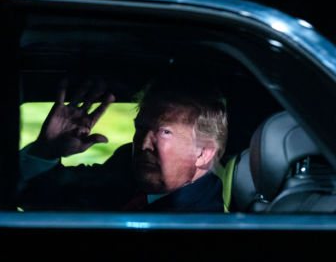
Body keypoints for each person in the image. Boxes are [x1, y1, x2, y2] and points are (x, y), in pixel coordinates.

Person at [19, 76, 228, 212]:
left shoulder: (202, 222)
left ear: (203, 153)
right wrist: (45, 150)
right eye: (140, 128)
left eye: (164, 132)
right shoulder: (127, 167)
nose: (143, 143)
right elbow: (43, 195)